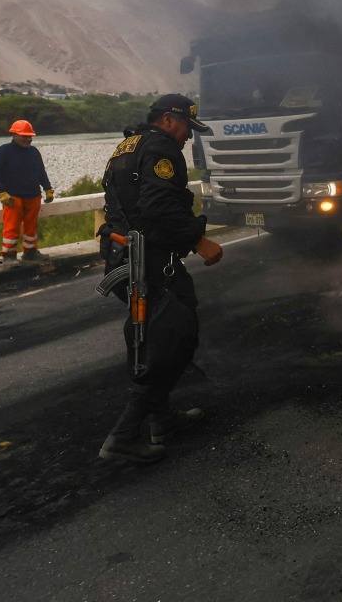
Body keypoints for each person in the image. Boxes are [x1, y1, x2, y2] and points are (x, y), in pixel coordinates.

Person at [97, 94, 224, 463]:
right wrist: (199, 240)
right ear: (169, 119)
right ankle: (122, 436)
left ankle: (162, 421)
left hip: (125, 258)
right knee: (172, 340)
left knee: (159, 337)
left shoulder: (127, 145)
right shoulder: (161, 148)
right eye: (186, 127)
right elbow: (159, 205)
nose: (188, 136)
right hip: (148, 261)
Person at [0, 120, 54, 262]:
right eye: (24, 136)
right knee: (11, 227)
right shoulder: (3, 151)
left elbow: (41, 172)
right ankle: (9, 255)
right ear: (14, 135)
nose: (28, 139)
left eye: (29, 136)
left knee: (31, 227)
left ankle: (30, 252)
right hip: (13, 198)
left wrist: (48, 188)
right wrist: (1, 192)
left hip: (33, 196)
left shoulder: (34, 152)